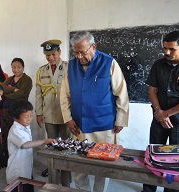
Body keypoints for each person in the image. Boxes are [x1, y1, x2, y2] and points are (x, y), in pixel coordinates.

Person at [60, 31, 129, 192]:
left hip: (104, 126)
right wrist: (68, 119)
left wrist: (120, 120)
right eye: (75, 52)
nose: (78, 56)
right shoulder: (71, 66)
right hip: (79, 125)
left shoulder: (109, 63)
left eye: (82, 52)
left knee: (103, 168)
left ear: (93, 46)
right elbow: (64, 96)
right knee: (80, 167)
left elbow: (122, 93)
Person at [145, 31, 179, 192]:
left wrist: (166, 114)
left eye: (172, 49)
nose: (167, 52)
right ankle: (148, 189)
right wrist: (159, 112)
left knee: (177, 160)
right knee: (152, 155)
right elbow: (152, 91)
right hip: (158, 119)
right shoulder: (158, 64)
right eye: (165, 48)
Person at [35, 39, 69, 177]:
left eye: (54, 54)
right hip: (48, 113)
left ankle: (66, 169)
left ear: (59, 52)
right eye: (48, 55)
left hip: (65, 113)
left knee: (67, 143)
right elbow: (38, 93)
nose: (51, 58)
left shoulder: (69, 67)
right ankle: (52, 168)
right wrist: (38, 113)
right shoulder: (42, 71)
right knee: (51, 143)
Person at [6, 100, 55, 192]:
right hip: (18, 171)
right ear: (15, 118)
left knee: (27, 186)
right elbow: (25, 144)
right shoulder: (15, 130)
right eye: (26, 117)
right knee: (19, 188)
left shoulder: (25, 126)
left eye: (31, 115)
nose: (29, 119)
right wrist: (44, 141)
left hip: (26, 168)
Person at [1, 58, 32, 161]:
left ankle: (19, 158)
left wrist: (7, 94)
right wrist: (13, 89)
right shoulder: (10, 79)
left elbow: (22, 94)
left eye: (18, 67)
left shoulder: (26, 79)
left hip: (19, 113)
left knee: (18, 135)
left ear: (23, 68)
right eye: (14, 67)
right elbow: (1, 88)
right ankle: (7, 157)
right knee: (7, 134)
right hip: (6, 112)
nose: (16, 69)